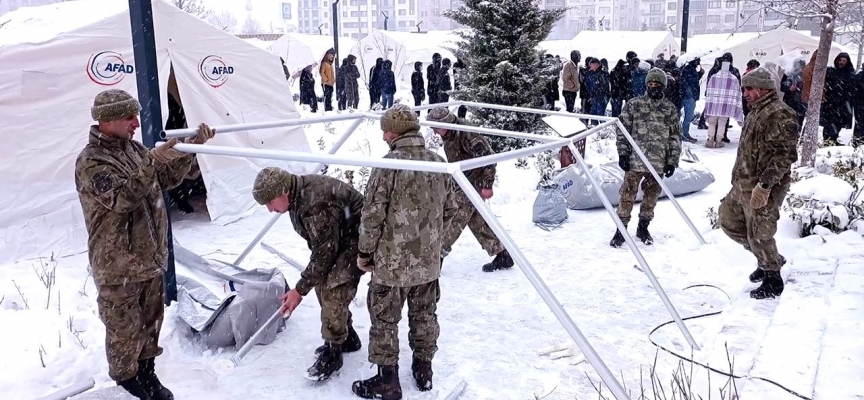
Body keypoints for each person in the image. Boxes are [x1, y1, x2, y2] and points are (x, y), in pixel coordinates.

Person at [75, 89, 214, 400]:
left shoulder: (133, 150)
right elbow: (122, 198)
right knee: (124, 329)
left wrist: (189, 150)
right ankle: (127, 384)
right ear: (107, 119)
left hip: (148, 259)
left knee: (151, 324)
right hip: (118, 264)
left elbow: (165, 178)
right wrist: (152, 160)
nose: (136, 122)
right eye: (129, 116)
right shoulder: (91, 161)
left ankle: (147, 373)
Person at [352, 104, 457, 399]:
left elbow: (372, 216)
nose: (383, 135)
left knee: (385, 319)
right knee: (425, 315)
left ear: (394, 132)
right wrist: (436, 245)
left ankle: (388, 381)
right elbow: (451, 210)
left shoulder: (388, 166)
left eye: (385, 129)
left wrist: (364, 253)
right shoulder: (438, 163)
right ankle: (424, 372)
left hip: (391, 264)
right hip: (427, 264)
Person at [251, 167, 366, 381]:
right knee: (322, 282)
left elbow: (325, 252)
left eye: (270, 202)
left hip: (358, 239)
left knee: (333, 289)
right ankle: (347, 336)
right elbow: (322, 247)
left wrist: (299, 290)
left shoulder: (315, 202)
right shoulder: (297, 197)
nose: (269, 209)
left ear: (284, 191)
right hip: (340, 238)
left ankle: (333, 353)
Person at [720, 67, 799, 299]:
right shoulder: (756, 110)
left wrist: (764, 186)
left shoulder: (780, 114)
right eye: (744, 88)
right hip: (743, 183)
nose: (745, 93)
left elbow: (784, 155)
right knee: (728, 220)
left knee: (760, 232)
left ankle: (773, 279)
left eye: (749, 88)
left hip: (764, 186)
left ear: (764, 89)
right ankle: (767, 257)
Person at [426, 107, 514, 272]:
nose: (435, 132)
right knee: (476, 220)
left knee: (455, 218)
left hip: (474, 183)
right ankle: (502, 254)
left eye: (436, 128)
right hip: (463, 181)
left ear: (445, 123)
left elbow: (489, 158)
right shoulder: (450, 133)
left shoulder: (465, 133)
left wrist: (487, 185)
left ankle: (437, 257)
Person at [610, 68, 681, 248]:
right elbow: (622, 131)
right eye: (650, 84)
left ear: (663, 86)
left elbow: (675, 137)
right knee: (626, 195)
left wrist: (672, 160)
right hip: (635, 160)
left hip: (658, 162)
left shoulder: (670, 109)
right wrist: (623, 153)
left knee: (651, 197)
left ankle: (643, 227)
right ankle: (621, 230)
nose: (653, 87)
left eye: (657, 85)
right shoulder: (634, 105)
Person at [703, 61, 744, 148]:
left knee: (712, 122)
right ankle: (719, 141)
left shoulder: (714, 77)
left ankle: (710, 140)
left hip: (713, 104)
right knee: (722, 123)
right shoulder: (733, 79)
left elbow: (709, 90)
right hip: (726, 105)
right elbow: (737, 92)